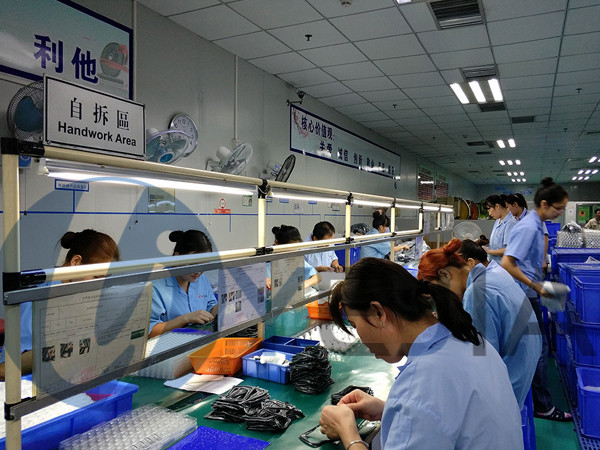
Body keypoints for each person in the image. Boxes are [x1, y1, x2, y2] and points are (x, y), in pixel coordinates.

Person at [318, 258, 522, 449]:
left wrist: (349, 434)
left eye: (355, 325)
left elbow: (426, 402)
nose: (360, 336)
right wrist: (390, 410)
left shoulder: (420, 384)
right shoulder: (469, 340)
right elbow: (450, 415)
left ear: (378, 313)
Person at [418, 238, 541, 408]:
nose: (444, 299)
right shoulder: (493, 273)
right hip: (522, 365)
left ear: (445, 274)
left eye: (440, 291)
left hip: (507, 386)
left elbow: (481, 358)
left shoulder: (477, 292)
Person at [0, 229, 120, 380]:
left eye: (106, 279)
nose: (101, 286)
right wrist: (74, 346)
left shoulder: (81, 293)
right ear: (76, 262)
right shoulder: (37, 296)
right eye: (97, 277)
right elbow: (6, 368)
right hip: (27, 384)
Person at [502, 177, 571, 421]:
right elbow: (507, 262)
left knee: (534, 346)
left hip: (529, 293)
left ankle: (532, 397)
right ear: (544, 204)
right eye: (558, 208)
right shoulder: (529, 227)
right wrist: (536, 286)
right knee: (537, 348)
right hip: (525, 295)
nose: (560, 212)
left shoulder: (536, 223)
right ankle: (543, 405)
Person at [149, 230, 217, 337]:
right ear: (177, 257)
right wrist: (185, 319)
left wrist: (227, 303)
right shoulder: (156, 286)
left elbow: (210, 308)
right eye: (193, 264)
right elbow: (149, 331)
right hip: (169, 344)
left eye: (203, 266)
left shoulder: (201, 279)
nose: (198, 272)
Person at [267, 225, 320, 290]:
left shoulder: (296, 259)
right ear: (276, 242)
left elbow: (317, 276)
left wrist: (306, 283)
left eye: (295, 251)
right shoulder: (267, 263)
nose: (292, 255)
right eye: (288, 251)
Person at [484, 194, 517, 264]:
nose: (489, 214)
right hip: (494, 263)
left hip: (504, 266)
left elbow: (510, 249)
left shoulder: (511, 223)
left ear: (497, 206)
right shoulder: (497, 221)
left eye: (489, 210)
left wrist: (489, 251)